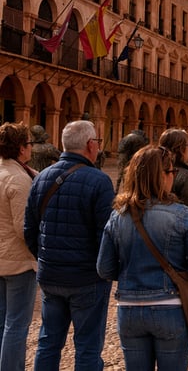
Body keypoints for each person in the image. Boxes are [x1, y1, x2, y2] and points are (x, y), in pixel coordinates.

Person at [97, 145, 188, 371]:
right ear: (161, 176)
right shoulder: (181, 214)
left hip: (129, 308)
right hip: (169, 307)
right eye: (171, 172)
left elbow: (104, 269)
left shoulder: (117, 216)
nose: (174, 177)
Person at [24, 120, 115, 371]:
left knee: (48, 341)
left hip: (51, 275)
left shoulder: (41, 178)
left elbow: (29, 229)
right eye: (97, 141)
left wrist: (45, 257)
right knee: (87, 345)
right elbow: (106, 235)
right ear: (89, 145)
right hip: (86, 278)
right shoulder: (100, 181)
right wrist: (102, 269)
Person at [0, 122, 38, 371]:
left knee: (3, 321)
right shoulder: (18, 179)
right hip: (18, 262)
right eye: (29, 143)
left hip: (3, 258)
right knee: (16, 324)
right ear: (22, 148)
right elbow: (24, 227)